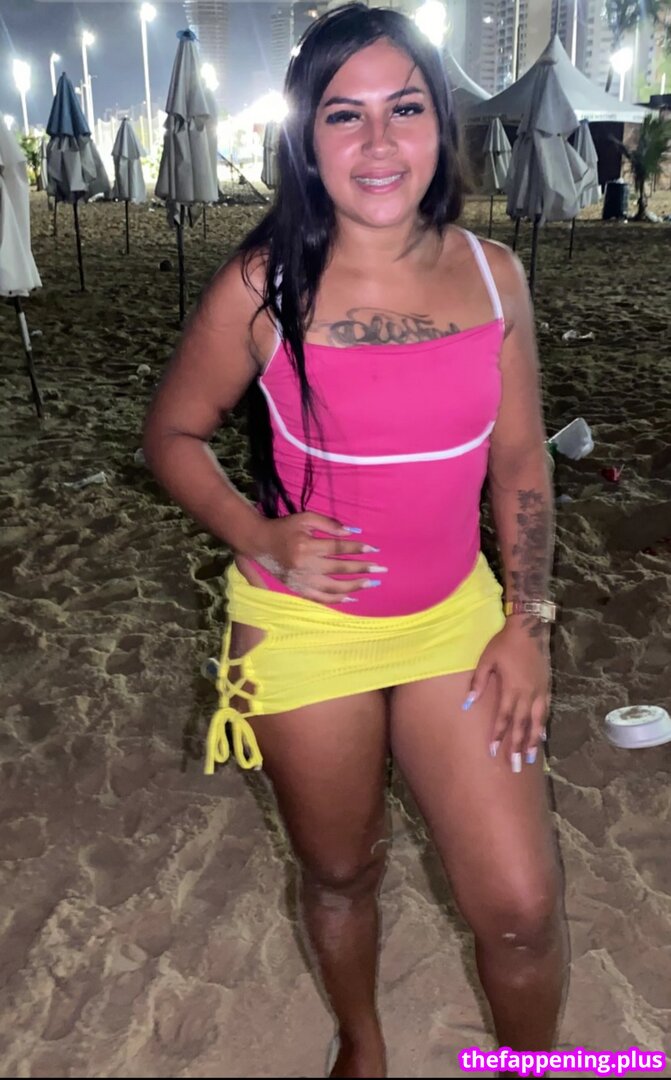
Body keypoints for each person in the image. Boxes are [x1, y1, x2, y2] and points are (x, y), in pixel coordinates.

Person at [143, 5, 568, 1077]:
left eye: (403, 109)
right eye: (344, 115)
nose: (377, 143)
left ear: (439, 127)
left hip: (456, 619)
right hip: (304, 628)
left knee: (520, 907)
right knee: (341, 873)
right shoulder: (262, 284)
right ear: (307, 137)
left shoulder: (495, 276)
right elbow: (174, 435)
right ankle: (364, 1044)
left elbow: (522, 462)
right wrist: (257, 532)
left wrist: (527, 622)